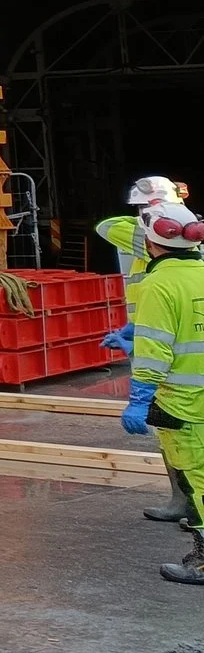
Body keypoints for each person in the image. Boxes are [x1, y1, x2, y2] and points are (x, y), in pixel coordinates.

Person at [102, 178, 194, 523]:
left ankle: (195, 516)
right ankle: (184, 505)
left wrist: (140, 397)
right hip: (176, 355)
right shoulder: (182, 260)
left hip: (177, 366)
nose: (143, 217)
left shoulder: (163, 267)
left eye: (147, 210)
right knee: (177, 442)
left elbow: (107, 226)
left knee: (189, 447)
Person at [125, 200, 204, 584]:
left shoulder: (158, 283)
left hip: (184, 405)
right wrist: (131, 337)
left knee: (197, 481)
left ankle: (203, 561)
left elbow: (156, 351)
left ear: (152, 243)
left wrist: (139, 400)